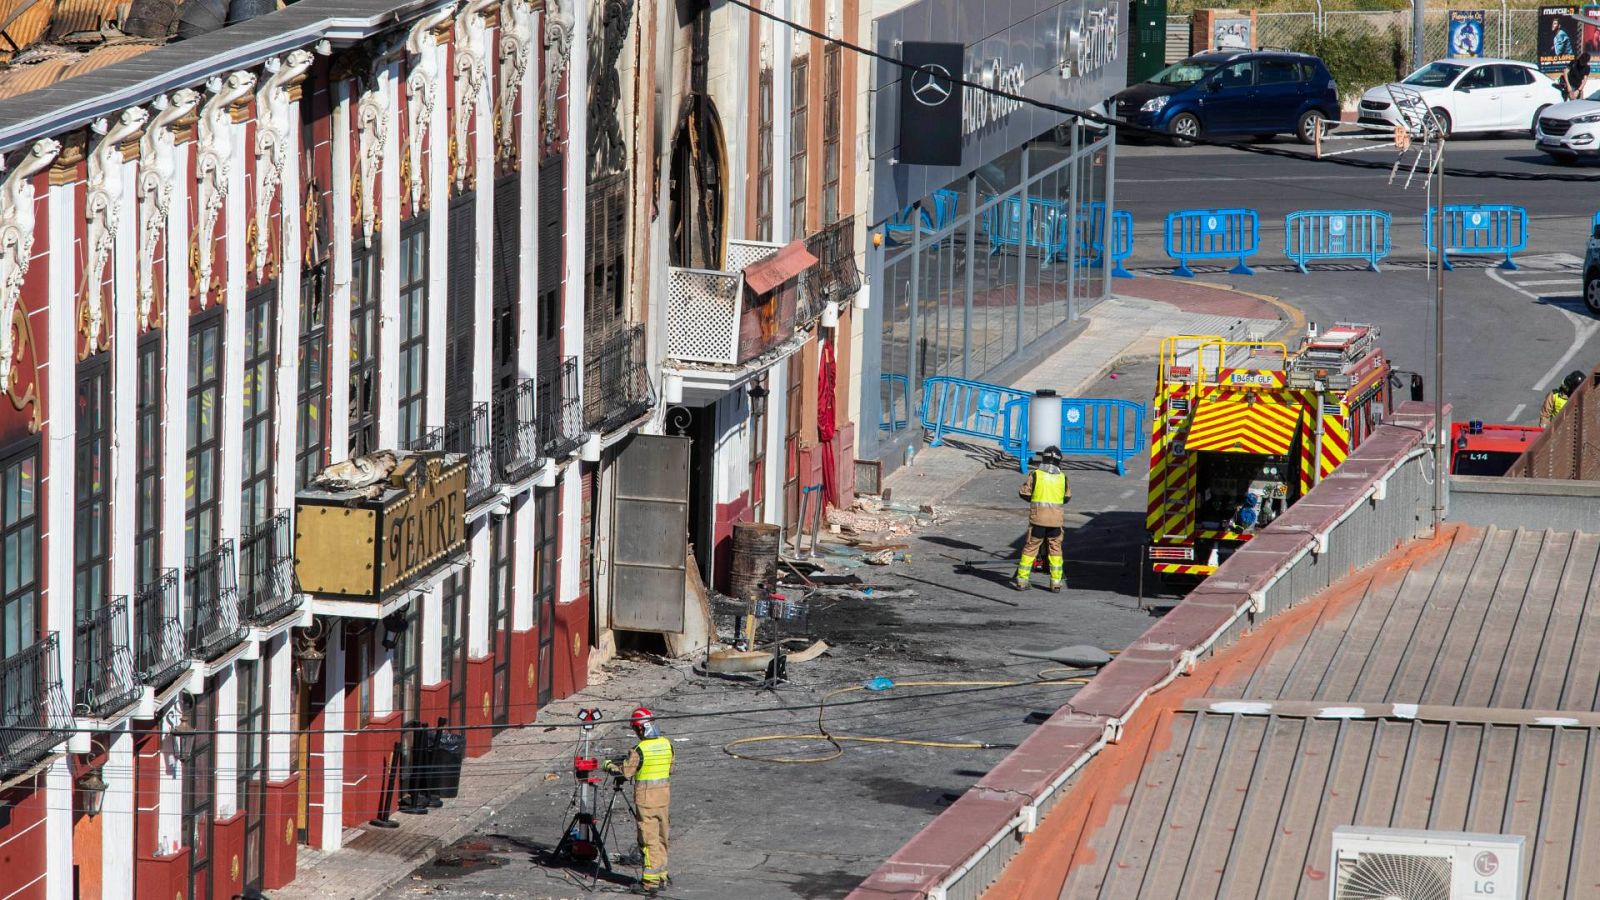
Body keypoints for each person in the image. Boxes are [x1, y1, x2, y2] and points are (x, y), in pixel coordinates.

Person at [604, 708, 673, 891]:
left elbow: (626, 773)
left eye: (635, 729)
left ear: (641, 729)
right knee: (661, 837)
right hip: (664, 799)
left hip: (646, 801)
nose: (636, 733)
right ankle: (662, 875)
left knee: (648, 841)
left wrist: (609, 766)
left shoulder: (639, 749)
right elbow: (670, 768)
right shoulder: (667, 744)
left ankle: (650, 882)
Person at [1013, 446, 1070, 592]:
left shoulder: (1036, 474)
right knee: (1055, 549)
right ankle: (1056, 583)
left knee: (1031, 548)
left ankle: (1022, 580)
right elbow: (1066, 497)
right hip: (1056, 521)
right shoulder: (1063, 477)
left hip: (1038, 519)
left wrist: (1035, 501)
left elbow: (1023, 493)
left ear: (1043, 459)